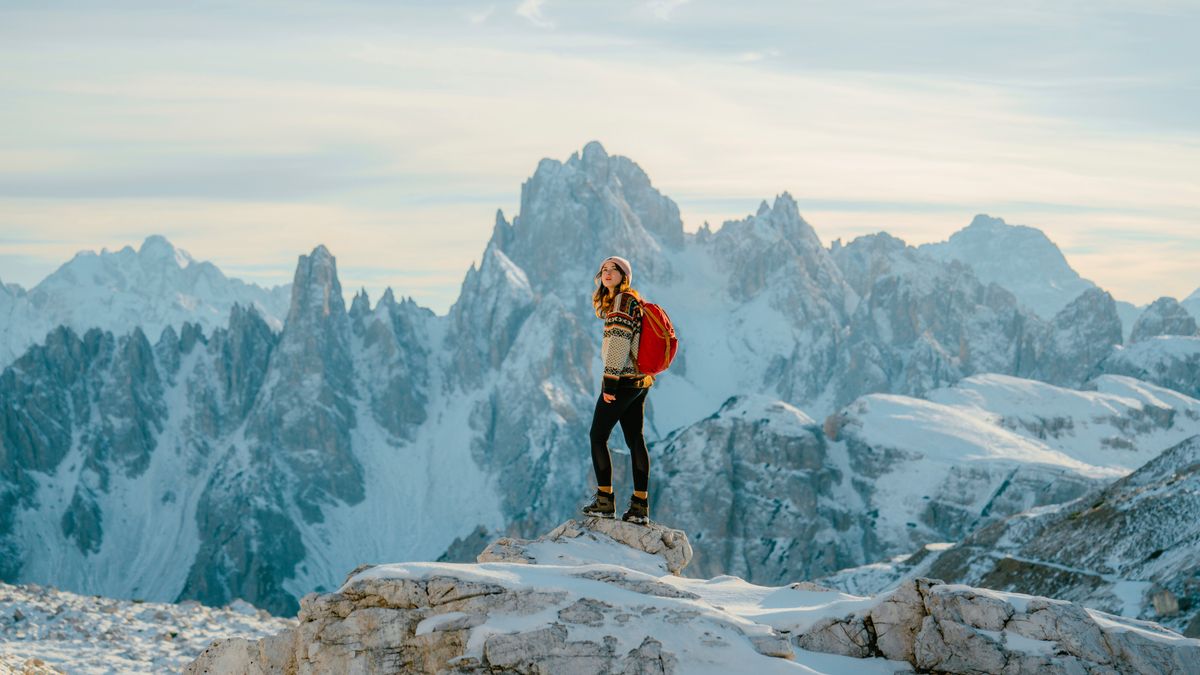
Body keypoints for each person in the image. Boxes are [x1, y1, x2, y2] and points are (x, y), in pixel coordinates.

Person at [581, 255, 655, 524]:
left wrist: (609, 382)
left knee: (597, 436)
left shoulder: (623, 301)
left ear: (625, 276)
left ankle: (604, 501)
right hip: (639, 380)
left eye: (614, 269)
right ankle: (639, 506)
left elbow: (619, 344)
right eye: (604, 269)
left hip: (622, 381)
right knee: (635, 438)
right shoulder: (629, 301)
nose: (607, 273)